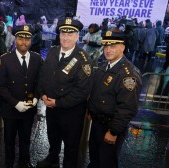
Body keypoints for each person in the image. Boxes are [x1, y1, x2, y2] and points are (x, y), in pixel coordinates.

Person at [36, 17, 92, 168]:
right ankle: (52, 158)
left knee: (71, 144)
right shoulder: (53, 51)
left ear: (77, 36)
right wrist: (42, 94)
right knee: (53, 136)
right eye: (63, 33)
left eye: (70, 34)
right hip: (51, 106)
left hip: (71, 111)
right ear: (59, 35)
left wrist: (58, 102)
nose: (66, 38)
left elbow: (81, 91)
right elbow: (43, 75)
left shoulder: (83, 59)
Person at [87, 30, 142, 168]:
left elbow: (127, 108)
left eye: (113, 46)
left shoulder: (128, 75)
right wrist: (90, 109)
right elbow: (97, 92)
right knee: (94, 158)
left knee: (107, 162)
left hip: (110, 127)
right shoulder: (104, 66)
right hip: (97, 123)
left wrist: (113, 132)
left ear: (122, 47)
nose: (108, 50)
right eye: (106, 46)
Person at [0, 25, 42, 168]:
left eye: (27, 38)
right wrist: (15, 103)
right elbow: (1, 86)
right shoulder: (5, 59)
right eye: (21, 38)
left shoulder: (37, 58)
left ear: (31, 40)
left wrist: (35, 98)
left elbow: (38, 81)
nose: (24, 42)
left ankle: (25, 162)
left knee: (25, 139)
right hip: (11, 109)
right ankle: (9, 164)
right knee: (9, 140)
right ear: (15, 40)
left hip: (28, 108)